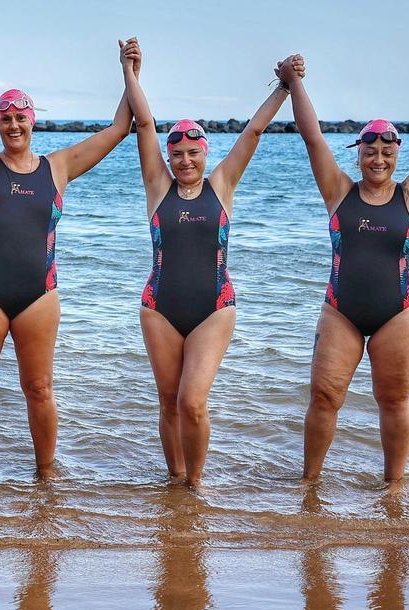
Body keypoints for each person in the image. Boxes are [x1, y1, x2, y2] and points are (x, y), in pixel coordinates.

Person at [0, 1, 133, 473]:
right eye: (5, 119)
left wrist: (129, 73)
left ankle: (46, 478)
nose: (13, 126)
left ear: (33, 120)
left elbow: (120, 128)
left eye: (20, 117)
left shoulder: (58, 168)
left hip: (40, 295)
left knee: (41, 389)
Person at [279, 52, 409, 482]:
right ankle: (309, 485)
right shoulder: (339, 190)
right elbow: (313, 137)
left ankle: (393, 490)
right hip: (340, 311)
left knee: (394, 401)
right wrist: (293, 83)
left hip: (400, 313)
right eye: (370, 150)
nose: (377, 159)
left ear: (396, 154)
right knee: (323, 397)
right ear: (358, 155)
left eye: (386, 151)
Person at [124, 38, 296, 486]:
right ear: (169, 157)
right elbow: (143, 124)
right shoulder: (157, 187)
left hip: (215, 308)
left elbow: (253, 134)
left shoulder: (222, 185)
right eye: (177, 154)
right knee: (167, 402)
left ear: (205, 154)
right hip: (158, 307)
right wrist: (131, 73)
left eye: (192, 153)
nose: (184, 160)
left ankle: (196, 486)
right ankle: (175, 482)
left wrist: (283, 87)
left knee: (192, 401)